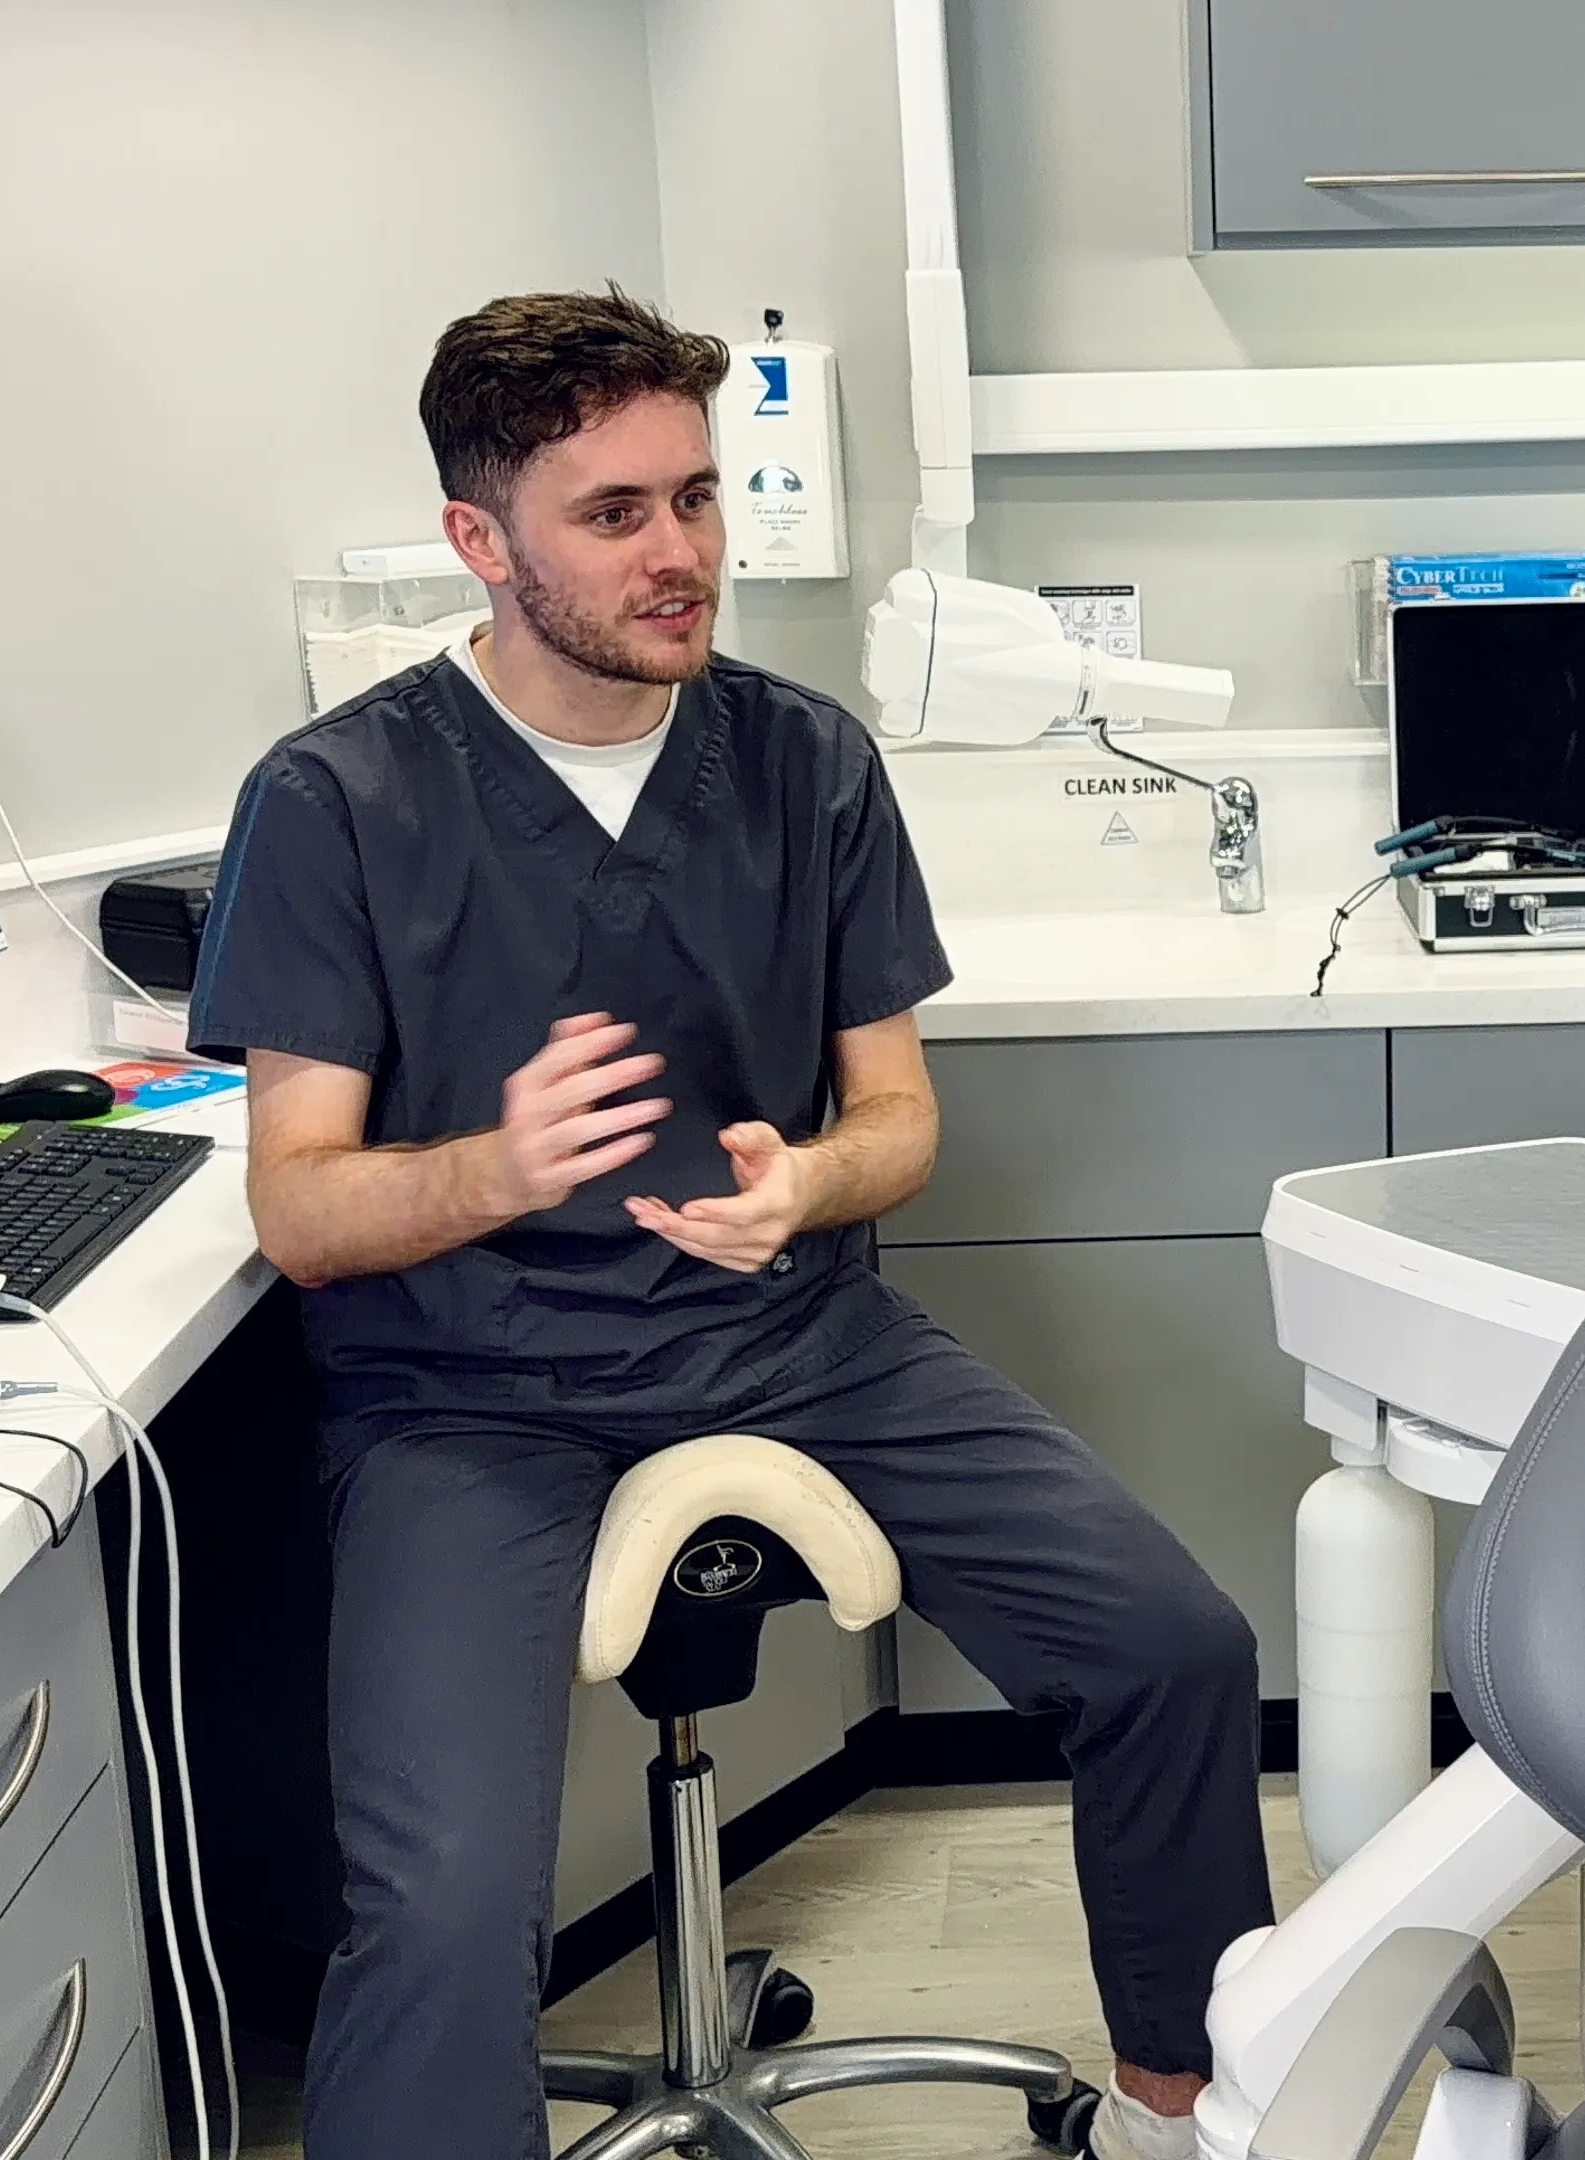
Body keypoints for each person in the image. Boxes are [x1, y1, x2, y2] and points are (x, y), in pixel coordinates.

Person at [187, 287, 1269, 2160]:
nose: (681, 553)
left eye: (697, 497)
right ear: (482, 539)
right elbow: (298, 1210)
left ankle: (1196, 2110)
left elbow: (900, 1120)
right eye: (615, 514)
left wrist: (805, 1185)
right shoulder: (336, 801)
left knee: (1177, 1648)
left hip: (798, 1340)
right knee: (440, 1906)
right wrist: (492, 1172)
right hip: (471, 1396)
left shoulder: (801, 759)